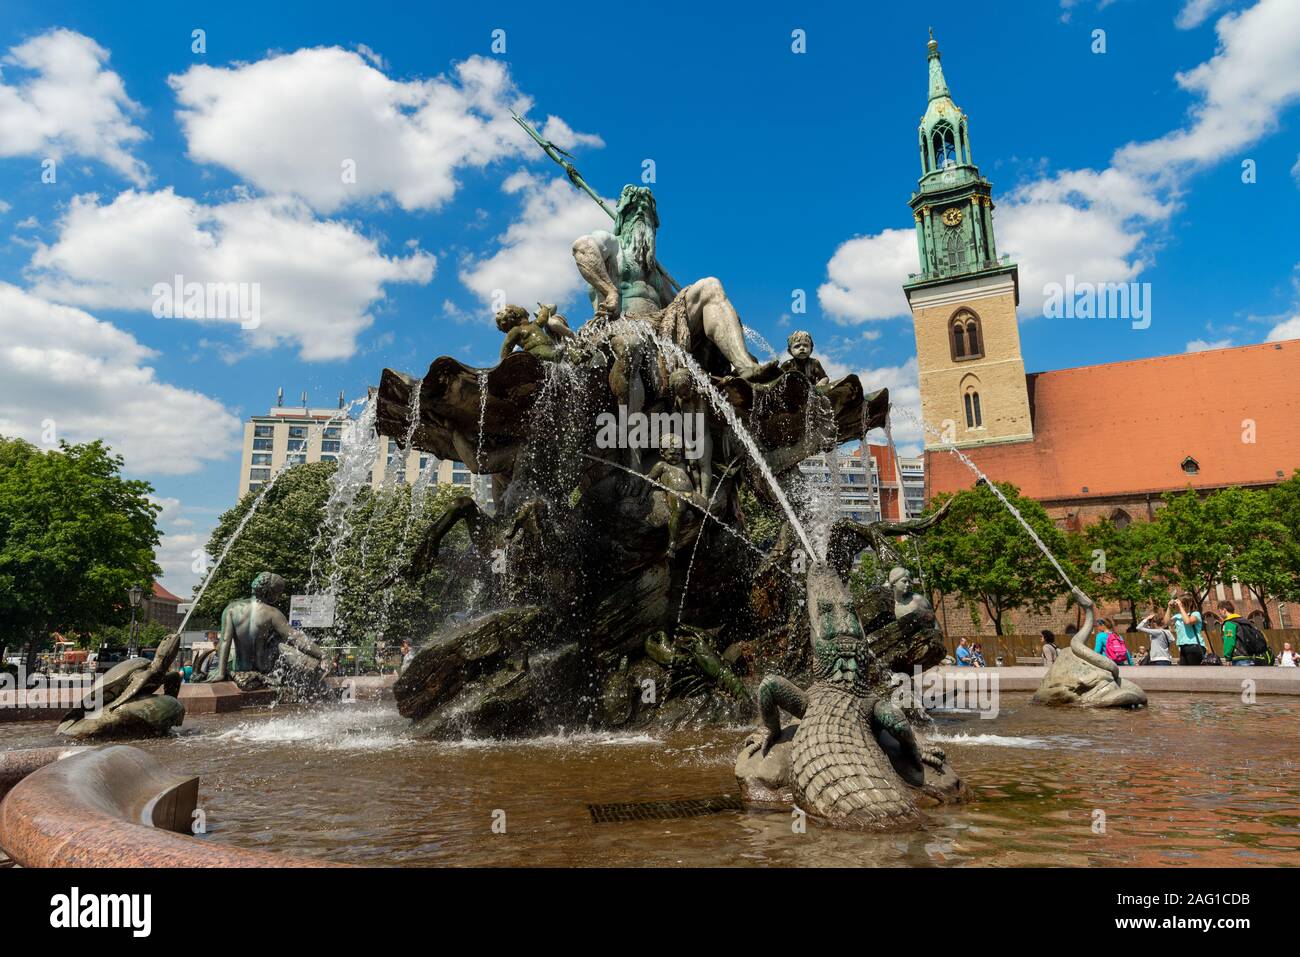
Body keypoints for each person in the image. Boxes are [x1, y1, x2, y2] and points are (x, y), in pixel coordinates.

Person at [1170, 596, 1207, 666]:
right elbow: (1165, 623)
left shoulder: (1195, 614)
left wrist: (1180, 607)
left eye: (1182, 604)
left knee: (1194, 672)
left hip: (1194, 646)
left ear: (1188, 604)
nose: (1179, 605)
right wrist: (1169, 608)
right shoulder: (1178, 616)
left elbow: (1188, 622)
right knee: (1185, 673)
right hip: (1183, 647)